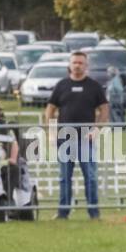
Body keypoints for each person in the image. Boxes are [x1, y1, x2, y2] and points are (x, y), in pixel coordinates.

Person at [44, 51, 107, 220]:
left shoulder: (94, 86)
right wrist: (51, 131)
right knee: (64, 177)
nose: (77, 65)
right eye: (74, 62)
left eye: (80, 62)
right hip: (64, 140)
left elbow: (104, 110)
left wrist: (97, 129)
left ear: (86, 66)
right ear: (69, 65)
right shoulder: (61, 85)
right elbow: (50, 109)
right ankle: (63, 213)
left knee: (91, 177)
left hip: (86, 140)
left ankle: (94, 213)